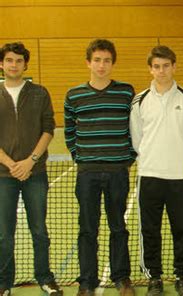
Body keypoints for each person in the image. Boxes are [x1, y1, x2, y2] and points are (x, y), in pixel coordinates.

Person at [64, 39, 135, 296]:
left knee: (118, 227)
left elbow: (134, 129)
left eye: (106, 60)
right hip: (87, 173)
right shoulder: (74, 95)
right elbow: (70, 133)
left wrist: (128, 158)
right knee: (87, 229)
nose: (102, 65)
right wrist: (80, 157)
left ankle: (121, 277)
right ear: (88, 62)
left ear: (112, 63)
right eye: (97, 60)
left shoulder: (126, 92)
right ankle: (86, 281)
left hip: (118, 171)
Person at [130, 45, 183, 296]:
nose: (161, 71)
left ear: (174, 66)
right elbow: (137, 139)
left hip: (179, 178)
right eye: (156, 66)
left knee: (182, 229)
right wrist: (153, 158)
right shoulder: (140, 101)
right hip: (149, 176)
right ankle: (154, 278)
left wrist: (177, 160)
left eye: (166, 66)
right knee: (150, 230)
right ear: (150, 69)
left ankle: (182, 276)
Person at [0, 42, 62, 295]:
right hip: (4, 175)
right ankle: (4, 283)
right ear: (1, 64)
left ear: (26, 64)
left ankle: (45, 278)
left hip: (35, 174)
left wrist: (30, 161)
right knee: (4, 234)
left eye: (18, 61)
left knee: (39, 230)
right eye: (9, 60)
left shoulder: (39, 93)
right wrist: (10, 163)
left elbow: (49, 128)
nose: (14, 65)